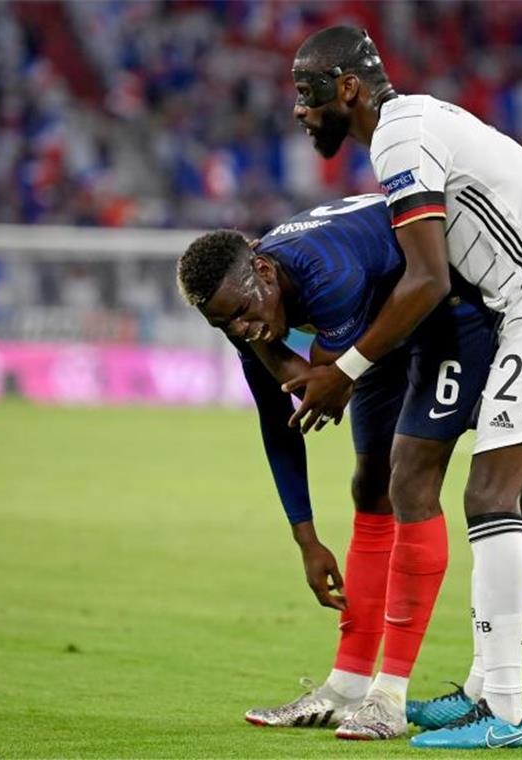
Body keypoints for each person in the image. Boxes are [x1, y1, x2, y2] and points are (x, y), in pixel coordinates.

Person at [285, 27, 522, 749]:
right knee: (495, 497)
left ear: (348, 87)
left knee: (488, 496)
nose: (301, 110)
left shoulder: (400, 139)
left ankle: (504, 711)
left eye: (308, 91)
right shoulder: (419, 121)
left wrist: (342, 371)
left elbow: (428, 278)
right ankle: (480, 689)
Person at [176, 194, 496, 739]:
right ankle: (347, 687)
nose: (240, 328)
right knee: (369, 487)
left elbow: (324, 381)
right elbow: (279, 423)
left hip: (451, 312)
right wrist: (306, 537)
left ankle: (388, 697)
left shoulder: (328, 273)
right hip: (384, 323)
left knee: (410, 479)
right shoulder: (244, 307)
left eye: (243, 312)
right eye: (222, 324)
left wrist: (281, 359)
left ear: (263, 269)